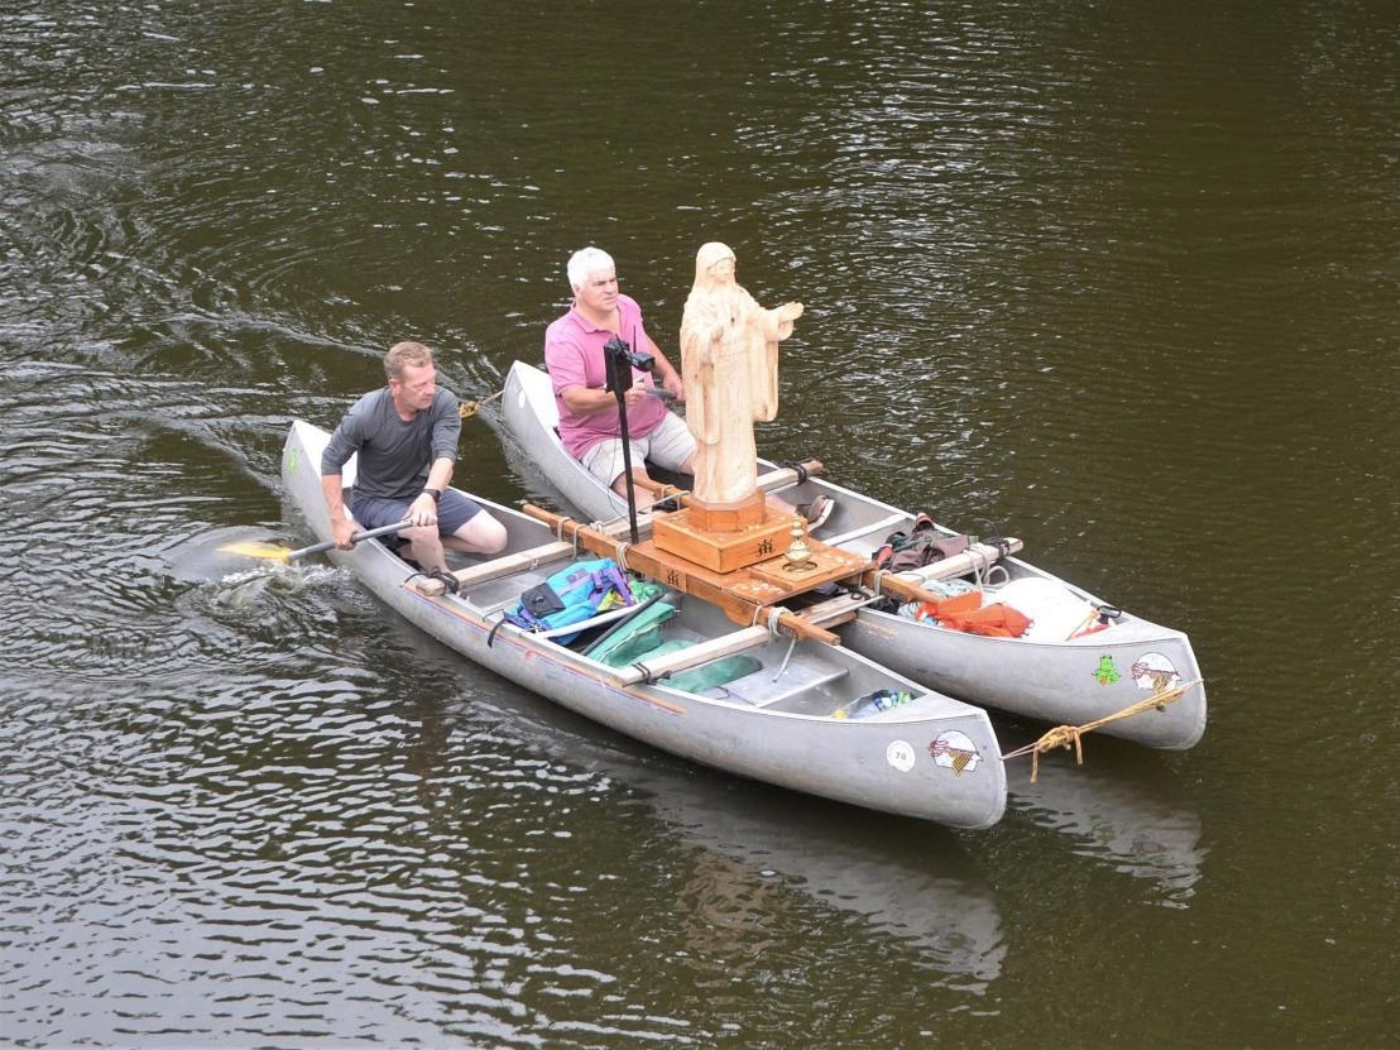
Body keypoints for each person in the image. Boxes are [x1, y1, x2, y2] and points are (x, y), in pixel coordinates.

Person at [320, 340, 507, 584]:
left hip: (422, 491)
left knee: (495, 539)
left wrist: (429, 496)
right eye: (420, 385)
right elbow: (330, 461)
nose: (430, 390)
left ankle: (408, 550)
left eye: (432, 380)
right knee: (423, 529)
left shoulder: (443, 402)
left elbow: (445, 455)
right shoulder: (365, 414)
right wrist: (339, 522)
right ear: (395, 386)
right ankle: (443, 580)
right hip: (376, 500)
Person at [679, 242, 831, 526]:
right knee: (720, 432)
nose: (728, 270)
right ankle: (718, 490)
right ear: (709, 270)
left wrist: (779, 317)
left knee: (739, 431)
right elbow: (691, 336)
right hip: (714, 377)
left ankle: (741, 486)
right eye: (722, 266)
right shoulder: (699, 302)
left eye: (730, 265)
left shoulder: (739, 296)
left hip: (739, 371)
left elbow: (759, 320)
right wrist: (709, 336)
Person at [544, 247, 693, 504]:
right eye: (600, 284)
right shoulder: (562, 337)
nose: (611, 289)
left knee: (715, 464)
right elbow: (574, 400)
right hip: (600, 436)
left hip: (654, 421)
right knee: (640, 494)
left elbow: (641, 337)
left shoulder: (627, 306)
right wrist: (617, 396)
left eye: (613, 280)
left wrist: (668, 373)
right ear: (577, 289)